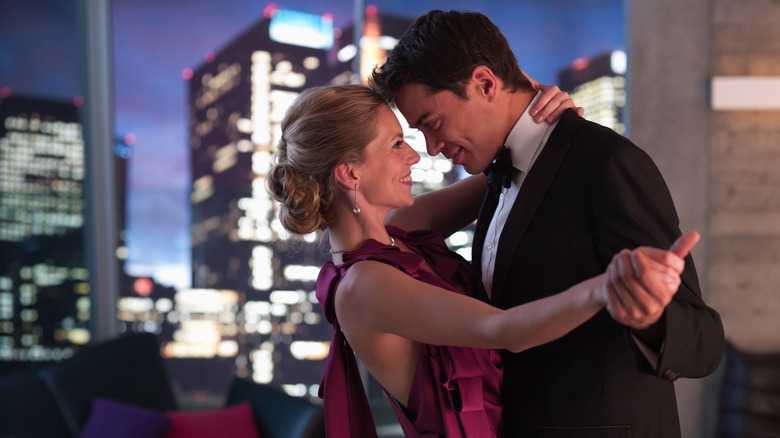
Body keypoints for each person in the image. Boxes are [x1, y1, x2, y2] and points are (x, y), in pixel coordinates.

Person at [265, 83, 699, 437]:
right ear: (349, 173)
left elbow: (518, 169)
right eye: (397, 143)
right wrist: (608, 284)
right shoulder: (364, 287)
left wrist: (547, 122)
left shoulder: (400, 227)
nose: (415, 155)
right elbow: (503, 330)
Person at [369, 9, 725, 437]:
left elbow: (704, 341)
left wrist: (649, 316)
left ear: (485, 84)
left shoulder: (605, 164)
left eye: (433, 123)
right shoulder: (496, 176)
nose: (430, 146)